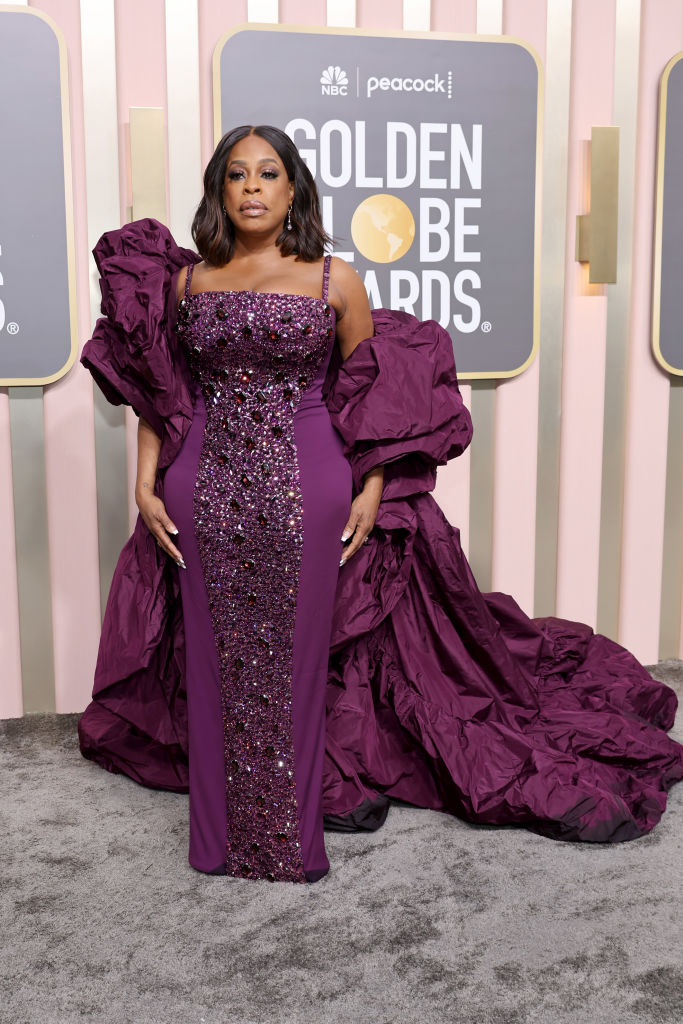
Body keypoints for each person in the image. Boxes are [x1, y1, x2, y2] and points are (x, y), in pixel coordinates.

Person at [79, 125, 683, 885]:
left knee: (294, 661)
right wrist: (146, 480)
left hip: (312, 482)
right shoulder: (188, 283)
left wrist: (371, 486)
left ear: (293, 188)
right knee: (211, 657)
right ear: (219, 191)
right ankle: (215, 842)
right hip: (204, 484)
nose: (254, 187)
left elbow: (368, 397)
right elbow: (163, 394)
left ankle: (285, 844)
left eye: (269, 173)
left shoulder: (336, 280)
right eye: (237, 175)